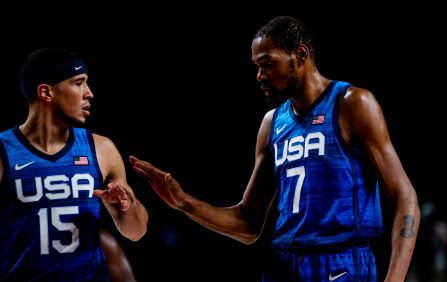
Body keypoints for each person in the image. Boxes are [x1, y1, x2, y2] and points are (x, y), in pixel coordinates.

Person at [129, 15, 420, 281]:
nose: (259, 75)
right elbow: (248, 223)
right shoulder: (272, 123)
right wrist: (185, 203)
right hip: (284, 266)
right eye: (257, 66)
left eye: (268, 63)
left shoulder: (352, 103)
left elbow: (404, 197)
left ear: (300, 55)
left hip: (341, 263)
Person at [0, 47, 148, 281]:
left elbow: (136, 232)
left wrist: (128, 205)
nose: (89, 93)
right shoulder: (4, 151)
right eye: (78, 83)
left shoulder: (101, 148)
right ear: (46, 92)